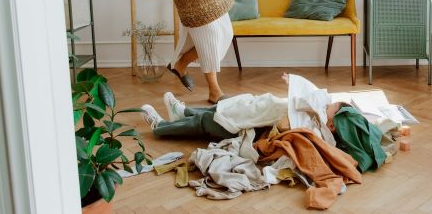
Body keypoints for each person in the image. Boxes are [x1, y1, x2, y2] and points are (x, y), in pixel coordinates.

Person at [141, 73, 349, 143]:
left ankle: (160, 127)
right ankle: (182, 112)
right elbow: (307, 96)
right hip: (255, 106)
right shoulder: (315, 113)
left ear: (331, 124)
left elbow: (287, 126)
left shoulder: (315, 132)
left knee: (207, 121)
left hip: (248, 124)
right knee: (225, 104)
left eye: (332, 106)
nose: (328, 104)